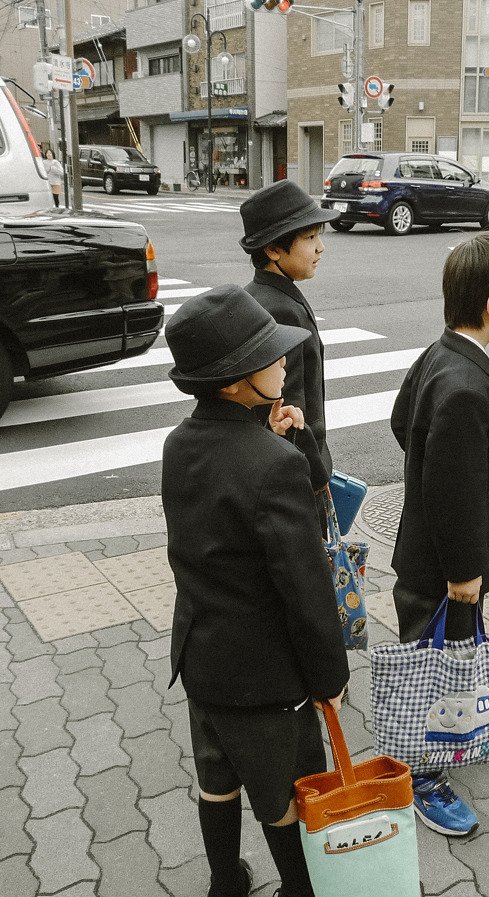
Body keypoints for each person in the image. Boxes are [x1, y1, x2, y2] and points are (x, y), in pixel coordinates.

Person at [162, 285, 350, 897]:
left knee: (217, 776)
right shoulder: (271, 464)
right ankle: (301, 887)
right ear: (235, 382)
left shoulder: (179, 444)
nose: (284, 362)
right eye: (271, 356)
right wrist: (330, 679)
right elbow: (306, 588)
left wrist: (275, 438)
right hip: (266, 678)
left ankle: (225, 881)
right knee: (285, 797)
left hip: (201, 656)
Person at [390, 231, 489, 836]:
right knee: (432, 660)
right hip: (443, 565)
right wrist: (463, 573)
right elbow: (452, 488)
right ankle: (421, 772)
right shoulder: (466, 385)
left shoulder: (439, 354)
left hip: (426, 551)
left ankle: (443, 735)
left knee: (440, 653)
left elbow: (404, 422)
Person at [240, 180, 340, 528]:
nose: (320, 248)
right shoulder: (282, 310)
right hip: (297, 472)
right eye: (310, 238)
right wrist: (316, 476)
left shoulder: (259, 295)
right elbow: (290, 408)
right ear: (273, 250)